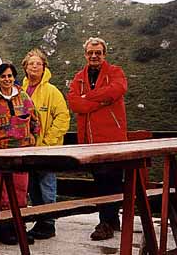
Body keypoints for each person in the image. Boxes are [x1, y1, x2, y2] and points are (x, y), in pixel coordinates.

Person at [67, 37, 128, 241]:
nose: (94, 56)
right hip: (90, 140)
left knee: (111, 180)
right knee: (100, 180)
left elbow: (117, 90)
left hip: (112, 139)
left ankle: (106, 223)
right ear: (85, 54)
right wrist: (101, 100)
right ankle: (111, 220)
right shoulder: (79, 77)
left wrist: (88, 98)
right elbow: (75, 104)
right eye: (90, 53)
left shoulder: (115, 72)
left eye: (98, 52)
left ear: (104, 54)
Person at [0, 63, 40, 245]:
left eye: (10, 76)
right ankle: (4, 230)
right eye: (3, 76)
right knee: (4, 193)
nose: (7, 79)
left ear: (14, 77)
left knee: (21, 191)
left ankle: (19, 229)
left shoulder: (24, 97)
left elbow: (35, 120)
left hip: (22, 151)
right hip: (1, 152)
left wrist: (33, 138)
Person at [21, 48, 70, 240]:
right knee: (32, 185)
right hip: (27, 149)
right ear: (25, 67)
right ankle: (40, 221)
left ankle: (49, 224)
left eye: (38, 63)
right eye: (31, 63)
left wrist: (49, 141)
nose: (35, 66)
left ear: (44, 68)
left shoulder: (52, 91)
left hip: (47, 149)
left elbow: (63, 117)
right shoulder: (21, 90)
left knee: (47, 184)